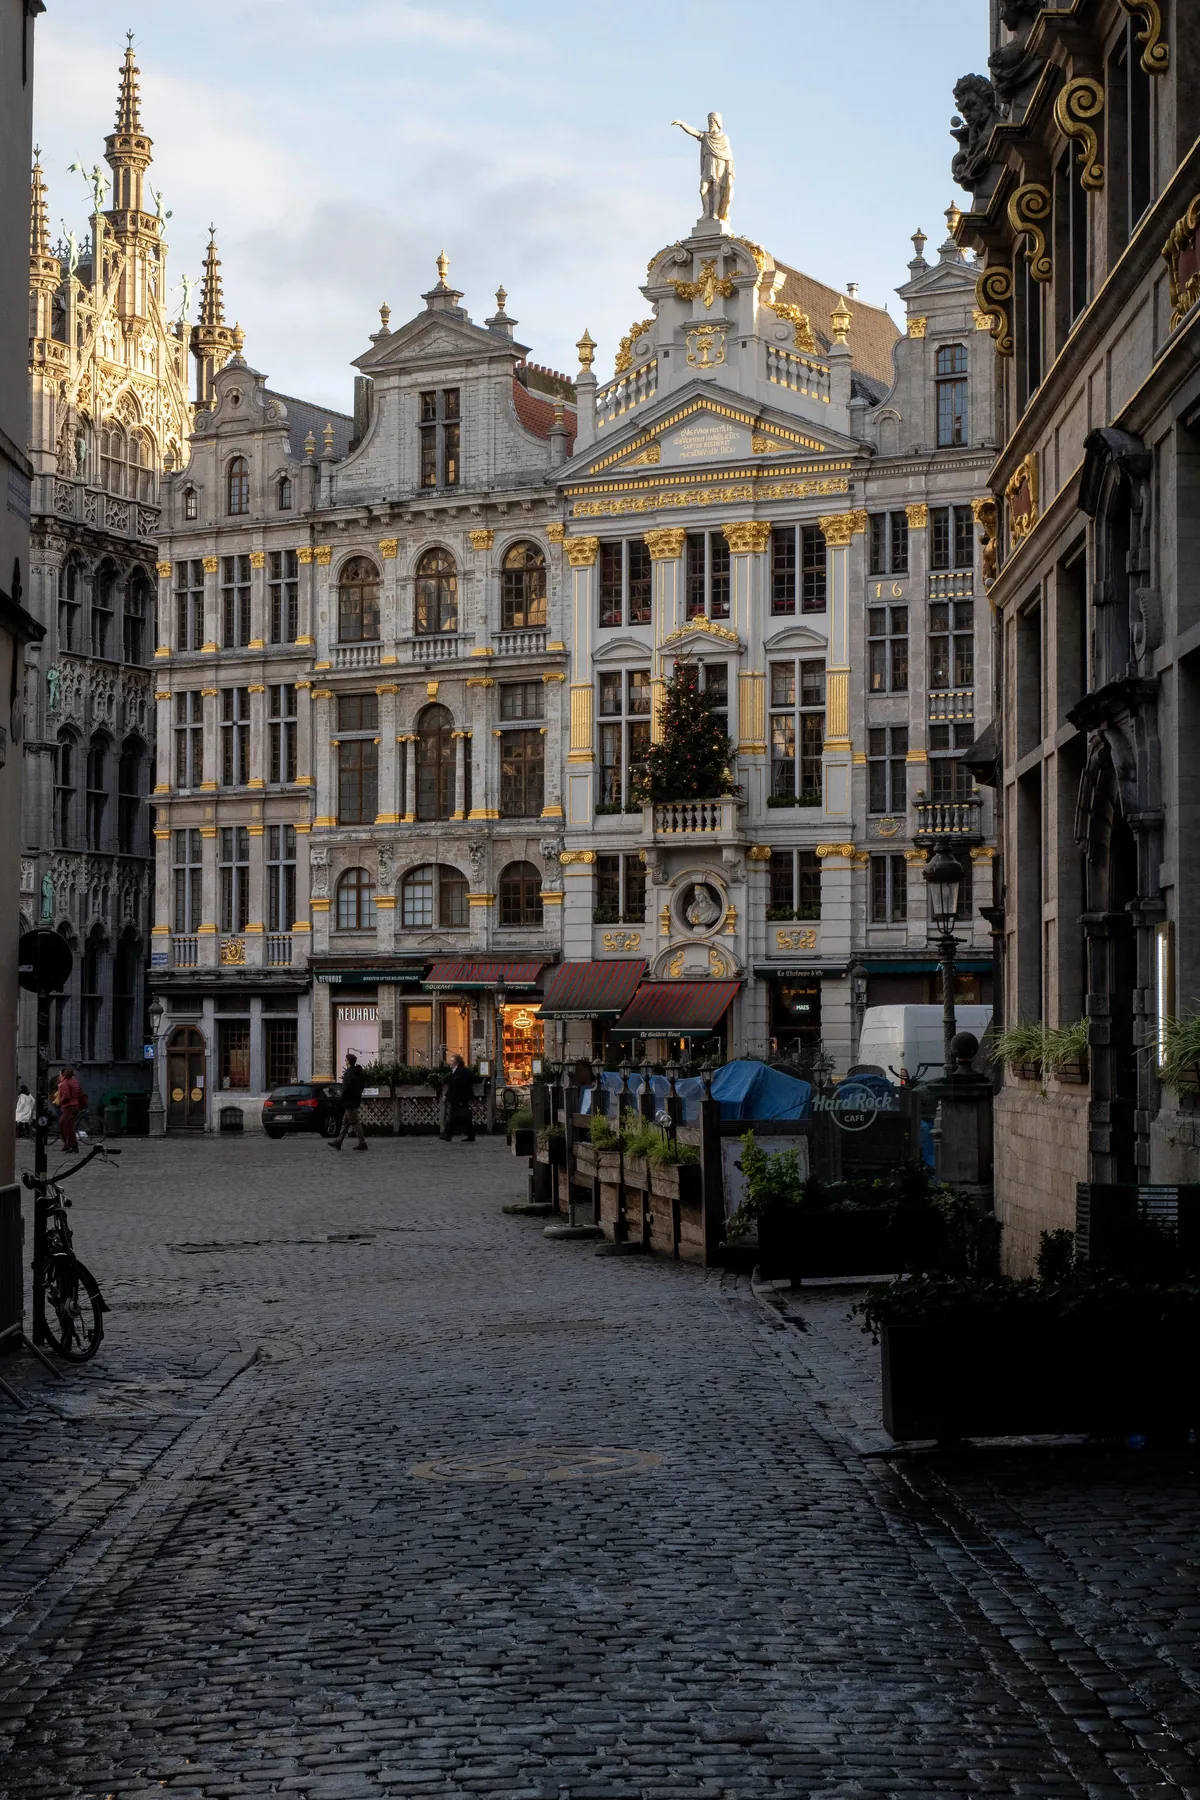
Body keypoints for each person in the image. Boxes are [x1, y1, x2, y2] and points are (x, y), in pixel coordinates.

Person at [328, 1052, 368, 1152]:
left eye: (346, 1060)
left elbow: (345, 1088)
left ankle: (362, 1143)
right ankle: (338, 1141)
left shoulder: (348, 1073)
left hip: (349, 1101)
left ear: (349, 1061)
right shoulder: (358, 1072)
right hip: (355, 1099)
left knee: (355, 1122)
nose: (345, 1061)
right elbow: (361, 1086)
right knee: (345, 1122)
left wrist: (342, 1098)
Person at [441, 1055, 476, 1143]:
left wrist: (461, 1097)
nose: (450, 1062)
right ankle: (470, 1135)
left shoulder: (462, 1071)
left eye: (452, 1060)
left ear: (457, 1062)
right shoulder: (455, 1072)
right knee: (462, 1117)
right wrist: (446, 1095)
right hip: (457, 1098)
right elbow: (452, 1086)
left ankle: (448, 1136)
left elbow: (463, 1085)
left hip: (459, 1098)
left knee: (454, 1117)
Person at [55, 1066, 84, 1154]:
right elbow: (79, 1092)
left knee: (63, 1125)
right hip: (75, 1106)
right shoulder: (75, 1081)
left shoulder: (64, 1083)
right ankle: (73, 1146)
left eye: (60, 1074)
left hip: (69, 1107)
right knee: (70, 1126)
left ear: (63, 1074)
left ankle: (69, 1145)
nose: (59, 1075)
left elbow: (66, 1096)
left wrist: (60, 1101)